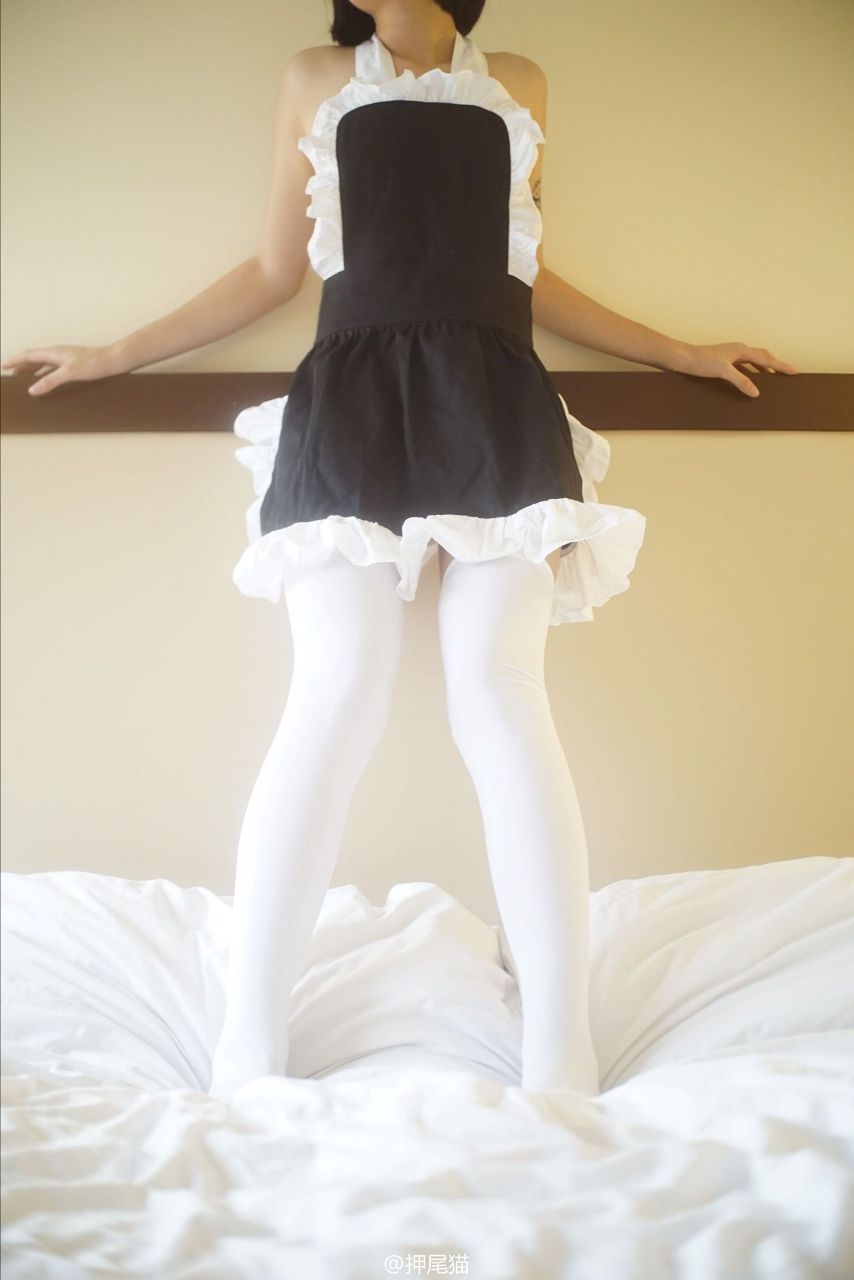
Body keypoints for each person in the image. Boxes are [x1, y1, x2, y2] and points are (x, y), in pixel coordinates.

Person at [2, 0, 799, 1103]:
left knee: (503, 694)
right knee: (335, 691)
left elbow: (527, 271)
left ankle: (560, 1051)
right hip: (352, 401)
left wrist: (679, 352)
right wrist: (113, 355)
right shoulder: (314, 76)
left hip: (494, 398)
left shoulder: (518, 80)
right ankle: (246, 1044)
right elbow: (274, 271)